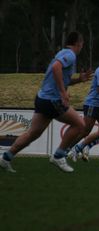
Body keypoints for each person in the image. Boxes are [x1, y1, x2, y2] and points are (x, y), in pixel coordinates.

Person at [0, 31, 92, 173]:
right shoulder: (70, 55)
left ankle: (5, 157)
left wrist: (79, 80)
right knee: (80, 125)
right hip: (52, 99)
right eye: (82, 44)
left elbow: (60, 77)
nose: (82, 46)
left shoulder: (63, 53)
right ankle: (59, 155)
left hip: (42, 98)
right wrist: (62, 92)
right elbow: (56, 68)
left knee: (33, 133)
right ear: (79, 43)